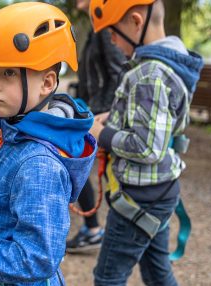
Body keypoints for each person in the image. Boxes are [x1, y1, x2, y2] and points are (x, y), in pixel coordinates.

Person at [0, 2, 96, 285]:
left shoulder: (38, 164)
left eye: (8, 73)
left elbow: (37, 258)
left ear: (47, 83)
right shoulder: (14, 135)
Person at [88, 0, 204, 285]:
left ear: (136, 22)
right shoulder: (171, 60)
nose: (112, 40)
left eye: (113, 32)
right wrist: (112, 118)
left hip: (139, 197)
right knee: (157, 273)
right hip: (160, 190)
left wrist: (99, 132)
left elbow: (147, 146)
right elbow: (156, 122)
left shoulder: (149, 73)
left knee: (107, 278)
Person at [66, 0, 126, 253]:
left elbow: (117, 73)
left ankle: (101, 231)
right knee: (76, 162)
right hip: (91, 110)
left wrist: (103, 113)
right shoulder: (95, 28)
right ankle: (95, 229)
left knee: (77, 162)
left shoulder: (105, 30)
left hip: (101, 116)